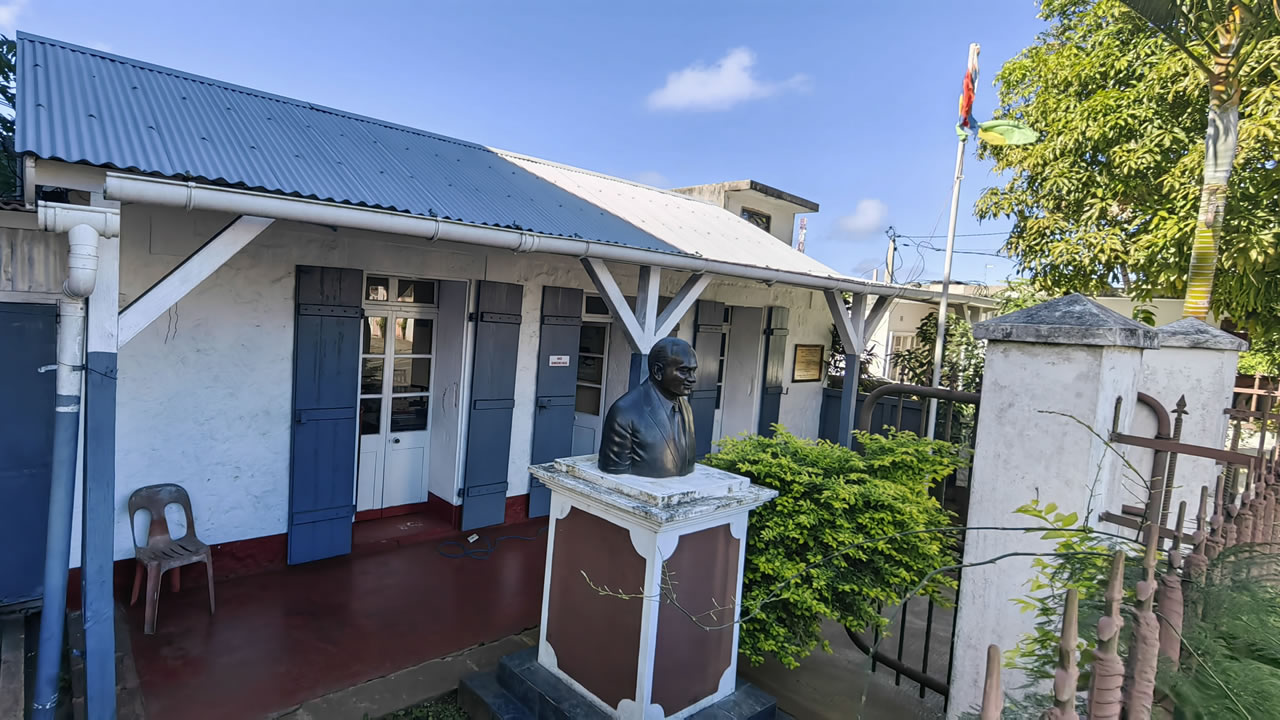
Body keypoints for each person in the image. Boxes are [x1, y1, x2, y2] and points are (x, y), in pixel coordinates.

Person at [598, 336, 698, 478]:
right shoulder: (625, 412)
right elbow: (615, 473)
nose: (692, 378)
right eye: (683, 371)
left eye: (693, 371)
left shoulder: (686, 408)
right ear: (658, 371)